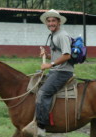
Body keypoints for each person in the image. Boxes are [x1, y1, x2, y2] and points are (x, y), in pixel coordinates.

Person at [23, 9, 74, 137]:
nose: (51, 23)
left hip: (62, 72)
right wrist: (48, 55)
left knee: (43, 93)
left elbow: (67, 55)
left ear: (59, 22)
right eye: (49, 21)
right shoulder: (54, 35)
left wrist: (49, 64)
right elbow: (59, 54)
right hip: (56, 70)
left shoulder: (62, 35)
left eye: (53, 21)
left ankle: (41, 127)